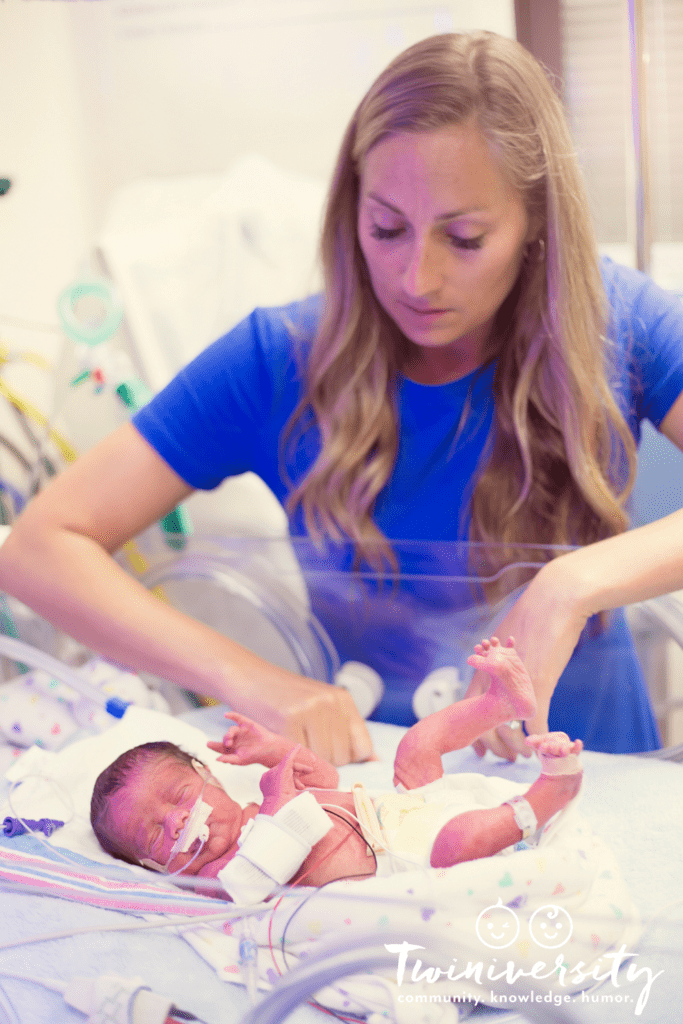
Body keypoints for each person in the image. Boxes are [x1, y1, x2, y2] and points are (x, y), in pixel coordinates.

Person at [0, 31, 682, 768]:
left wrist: (570, 584)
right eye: (386, 228)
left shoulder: (621, 322)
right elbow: (41, 548)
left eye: (463, 238)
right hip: (375, 780)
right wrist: (254, 680)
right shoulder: (277, 358)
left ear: (535, 228)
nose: (416, 279)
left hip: (595, 774)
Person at [90, 637, 583, 894]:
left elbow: (325, 780)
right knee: (462, 840)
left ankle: (500, 704)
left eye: (178, 797)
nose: (176, 820)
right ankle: (547, 795)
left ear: (211, 778)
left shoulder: (257, 801)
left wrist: (273, 751)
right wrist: (279, 804)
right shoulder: (221, 874)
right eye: (153, 835)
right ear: (149, 867)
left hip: (395, 808)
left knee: (417, 746)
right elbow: (257, 879)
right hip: (405, 855)